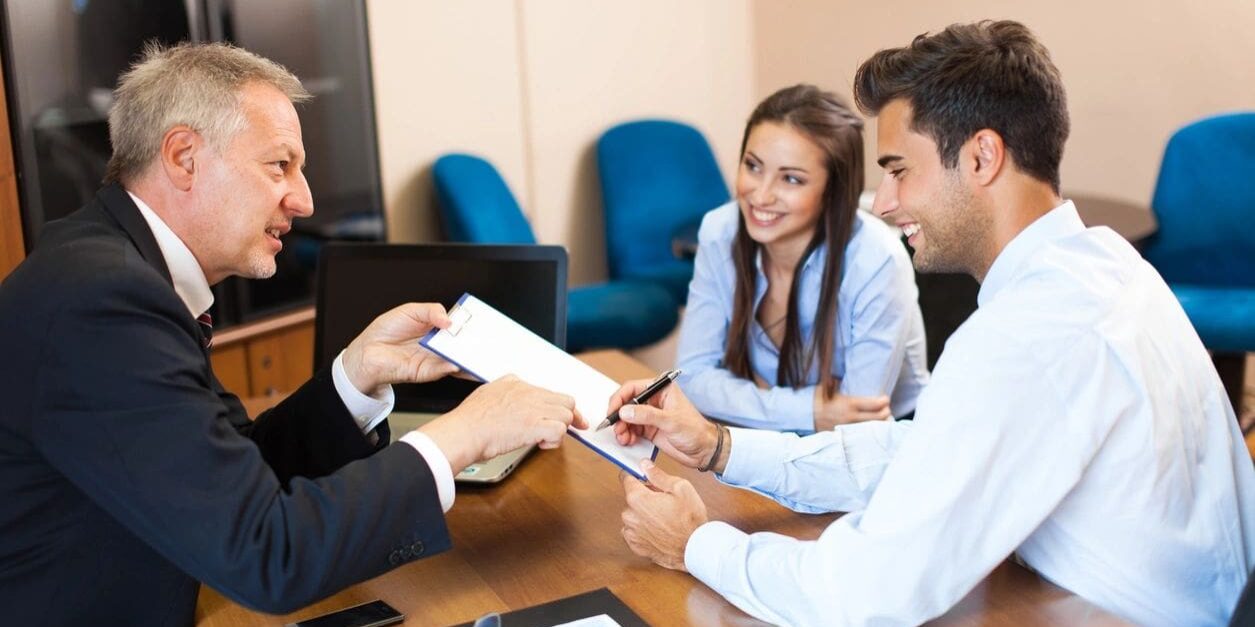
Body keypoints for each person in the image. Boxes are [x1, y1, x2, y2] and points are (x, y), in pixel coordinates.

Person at [610, 20, 1255, 625]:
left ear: (980, 158)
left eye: (897, 171)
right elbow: (927, 452)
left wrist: (696, 543)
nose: (885, 204)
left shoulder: (1025, 336)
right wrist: (724, 448)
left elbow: (867, 593)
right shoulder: (1105, 265)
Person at [0, 42, 585, 625]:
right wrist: (462, 434)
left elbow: (235, 472)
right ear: (183, 157)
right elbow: (266, 553)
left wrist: (355, 377)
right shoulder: (102, 303)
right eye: (279, 165)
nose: (303, 200)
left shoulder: (117, 268)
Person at [676, 84, 928, 432]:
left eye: (791, 179)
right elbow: (691, 378)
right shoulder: (721, 232)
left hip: (882, 449)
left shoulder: (876, 261)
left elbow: (857, 424)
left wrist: (745, 399)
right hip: (764, 437)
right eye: (753, 166)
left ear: (833, 191)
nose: (760, 195)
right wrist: (809, 410)